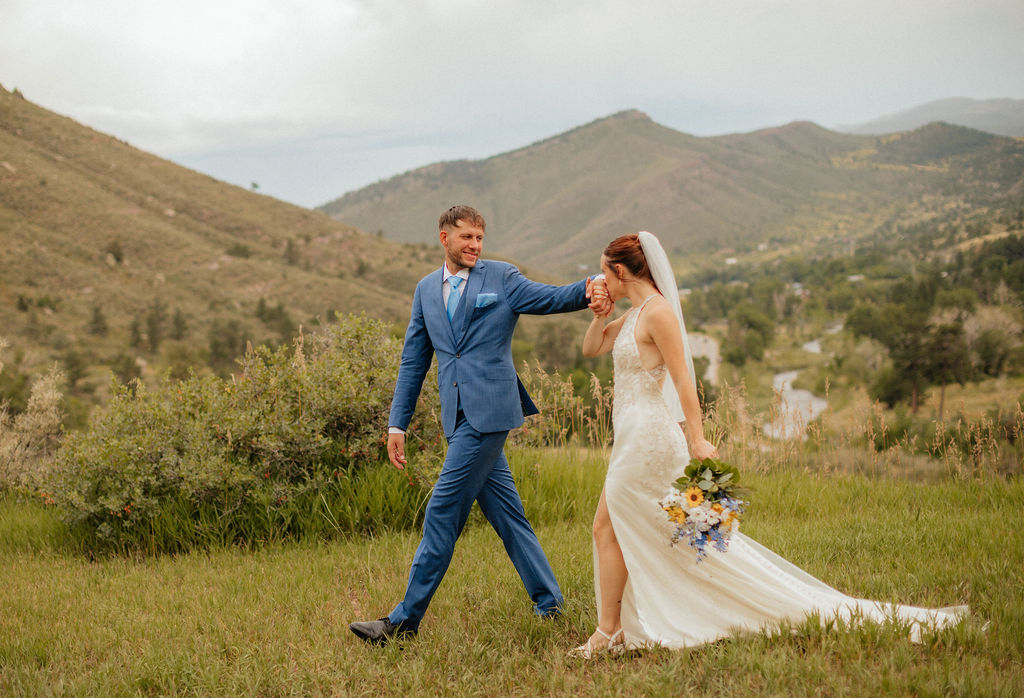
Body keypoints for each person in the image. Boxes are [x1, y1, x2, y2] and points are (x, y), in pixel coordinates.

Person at [571, 231, 967, 657]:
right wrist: (599, 314)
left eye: (603, 273)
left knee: (607, 527)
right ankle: (617, 626)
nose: (599, 282)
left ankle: (609, 631)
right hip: (630, 437)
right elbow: (592, 348)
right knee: (628, 529)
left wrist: (698, 438)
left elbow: (685, 380)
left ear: (619, 269)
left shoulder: (658, 314)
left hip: (649, 441)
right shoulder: (631, 316)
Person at [349, 205, 611, 644]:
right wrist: (398, 424)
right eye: (466, 237)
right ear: (444, 238)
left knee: (442, 511)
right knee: (508, 516)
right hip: (455, 415)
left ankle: (402, 622)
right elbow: (414, 359)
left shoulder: (502, 278)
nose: (474, 245)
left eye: (480, 238)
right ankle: (550, 603)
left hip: (490, 413)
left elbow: (546, 297)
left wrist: (589, 289)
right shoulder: (426, 290)